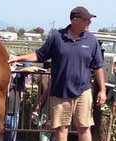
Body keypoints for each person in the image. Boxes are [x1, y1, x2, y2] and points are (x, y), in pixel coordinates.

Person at [8, 6, 106, 141]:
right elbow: (39, 55)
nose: (89, 22)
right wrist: (18, 58)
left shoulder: (91, 40)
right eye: (87, 20)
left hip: (83, 91)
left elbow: (98, 66)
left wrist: (102, 90)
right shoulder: (57, 38)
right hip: (60, 92)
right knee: (61, 128)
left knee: (84, 127)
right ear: (75, 20)